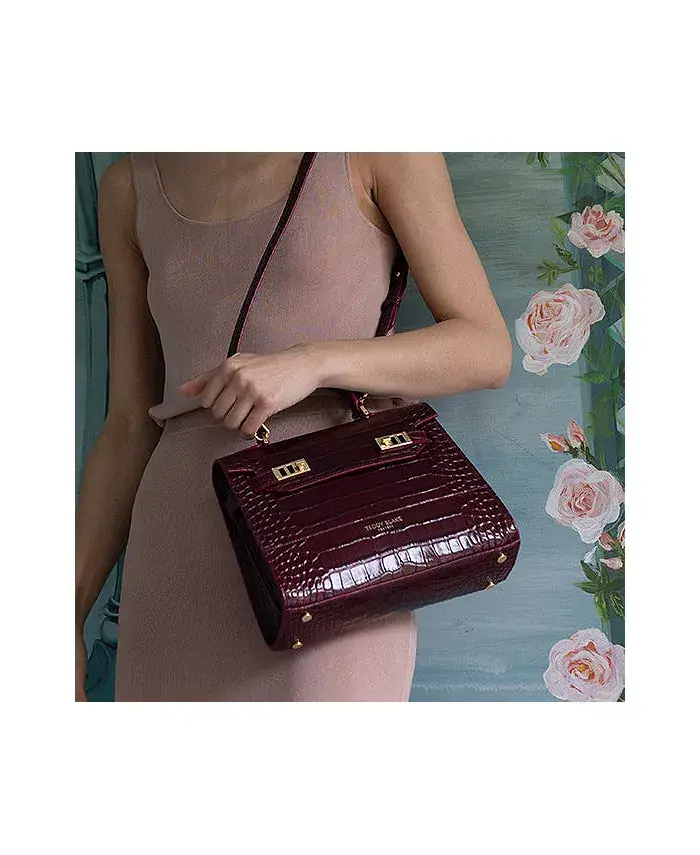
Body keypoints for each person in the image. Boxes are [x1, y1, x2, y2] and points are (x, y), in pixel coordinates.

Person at [75, 152, 513, 702]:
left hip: (334, 548)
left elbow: (485, 349)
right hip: (175, 557)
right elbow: (127, 426)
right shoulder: (129, 186)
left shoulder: (379, 150)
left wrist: (313, 362)